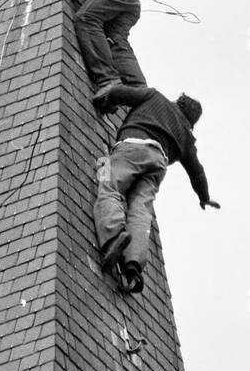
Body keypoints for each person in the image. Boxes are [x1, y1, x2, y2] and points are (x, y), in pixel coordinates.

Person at [93, 85, 220, 293]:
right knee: (141, 209)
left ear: (177, 102)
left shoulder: (154, 97)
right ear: (191, 122)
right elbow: (197, 171)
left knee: (109, 185)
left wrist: (105, 99)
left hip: (133, 146)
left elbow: (121, 93)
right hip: (158, 163)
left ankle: (113, 236)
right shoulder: (186, 136)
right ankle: (133, 264)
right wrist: (204, 197)